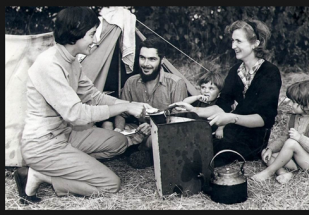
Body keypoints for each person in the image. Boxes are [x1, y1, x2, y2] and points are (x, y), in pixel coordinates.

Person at [13, 7, 152, 205]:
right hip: (43, 145)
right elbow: (76, 114)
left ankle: (72, 162)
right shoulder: (49, 65)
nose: (95, 40)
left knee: (119, 142)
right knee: (110, 184)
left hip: (65, 135)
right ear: (74, 33)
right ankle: (40, 176)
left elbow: (93, 96)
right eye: (91, 35)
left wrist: (129, 104)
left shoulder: (72, 62)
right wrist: (123, 108)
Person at [173, 19, 282, 166]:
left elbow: (264, 119)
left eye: (238, 41)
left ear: (256, 43)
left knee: (202, 156)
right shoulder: (235, 71)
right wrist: (194, 110)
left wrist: (231, 118)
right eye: (232, 41)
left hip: (254, 139)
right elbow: (222, 106)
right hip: (233, 131)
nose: (233, 46)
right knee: (193, 144)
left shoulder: (270, 72)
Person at [103, 34, 188, 169]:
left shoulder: (176, 84)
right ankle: (140, 151)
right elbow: (122, 112)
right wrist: (119, 129)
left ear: (162, 60)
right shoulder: (131, 82)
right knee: (108, 128)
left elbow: (178, 121)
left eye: (152, 59)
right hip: (137, 130)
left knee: (161, 138)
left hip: (162, 131)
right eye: (142, 58)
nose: (146, 64)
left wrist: (153, 127)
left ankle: (141, 152)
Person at [251, 80, 309, 184]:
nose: (290, 104)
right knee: (266, 154)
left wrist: (300, 138)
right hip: (295, 158)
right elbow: (285, 137)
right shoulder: (293, 117)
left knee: (291, 143)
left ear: (308, 105)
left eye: (294, 102)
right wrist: (271, 148)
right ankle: (283, 173)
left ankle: (269, 171)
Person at [180, 70, 226, 139]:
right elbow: (184, 103)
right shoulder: (199, 100)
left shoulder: (218, 104)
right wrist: (196, 97)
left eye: (211, 88)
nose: (206, 91)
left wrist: (220, 129)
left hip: (211, 133)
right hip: (197, 130)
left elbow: (224, 117)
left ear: (218, 94)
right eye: (203, 87)